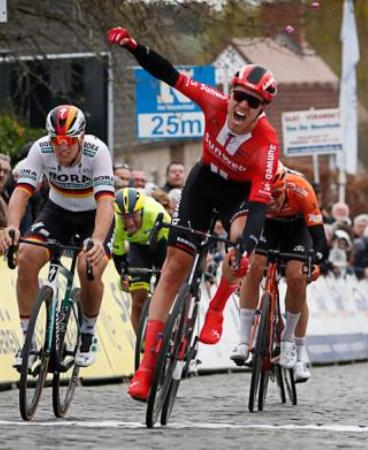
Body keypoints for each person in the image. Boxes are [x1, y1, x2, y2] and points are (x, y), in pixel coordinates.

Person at [107, 26, 279, 400]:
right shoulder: (215, 103)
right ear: (230, 94)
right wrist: (136, 46)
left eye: (252, 102)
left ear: (262, 109)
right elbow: (169, 74)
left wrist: (246, 246)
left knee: (241, 248)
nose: (242, 106)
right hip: (202, 186)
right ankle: (146, 368)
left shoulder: (267, 145)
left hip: (238, 197)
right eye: (239, 96)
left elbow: (260, 203)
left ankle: (216, 309)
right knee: (173, 268)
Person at [0, 104, 115, 369]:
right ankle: (28, 342)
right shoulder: (41, 149)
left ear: (81, 138)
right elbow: (21, 192)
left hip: (93, 216)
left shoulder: (97, 152)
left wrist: (97, 239)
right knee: (26, 255)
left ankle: (87, 330)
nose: (62, 147)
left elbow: (107, 201)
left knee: (89, 265)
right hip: (57, 213)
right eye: (56, 141)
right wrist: (12, 226)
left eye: (69, 141)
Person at [226, 165, 328, 383]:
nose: (272, 200)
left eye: (276, 195)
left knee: (296, 276)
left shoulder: (301, 189)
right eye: (267, 196)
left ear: (285, 188)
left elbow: (320, 239)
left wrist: (315, 259)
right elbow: (238, 223)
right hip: (267, 225)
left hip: (296, 230)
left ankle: (291, 342)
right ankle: (244, 340)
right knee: (255, 266)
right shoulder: (253, 190)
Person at [112, 188, 170, 332]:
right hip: (139, 248)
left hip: (162, 245)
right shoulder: (118, 224)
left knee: (162, 295)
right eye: (125, 217)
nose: (130, 222)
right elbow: (118, 254)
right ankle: (142, 345)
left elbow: (175, 247)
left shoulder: (157, 213)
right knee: (138, 300)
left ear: (141, 210)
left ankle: (167, 333)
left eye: (133, 216)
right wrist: (124, 275)